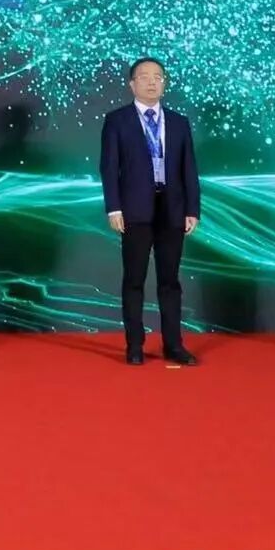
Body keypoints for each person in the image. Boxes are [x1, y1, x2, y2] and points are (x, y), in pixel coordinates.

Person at [100, 57, 201, 367]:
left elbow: (189, 168)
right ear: (132, 84)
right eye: (144, 77)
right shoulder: (117, 120)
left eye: (158, 76)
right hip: (134, 209)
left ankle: (174, 345)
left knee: (170, 281)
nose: (152, 82)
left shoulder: (179, 122)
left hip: (172, 209)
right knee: (134, 279)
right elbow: (109, 167)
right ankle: (135, 345)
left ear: (164, 83)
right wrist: (114, 207)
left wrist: (192, 209)